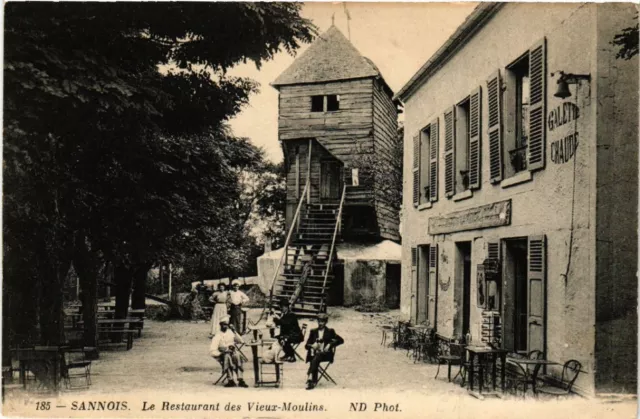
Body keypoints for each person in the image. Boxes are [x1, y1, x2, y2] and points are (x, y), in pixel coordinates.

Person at [305, 313, 344, 390]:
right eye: (319, 321)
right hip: (315, 355)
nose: (320, 323)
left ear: (326, 322)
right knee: (315, 357)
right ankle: (313, 380)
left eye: (322, 322)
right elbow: (306, 345)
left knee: (316, 357)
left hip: (326, 354)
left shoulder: (330, 331)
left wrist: (330, 344)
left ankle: (310, 378)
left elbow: (341, 340)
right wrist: (312, 346)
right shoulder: (313, 331)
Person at [209, 316, 248, 388]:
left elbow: (241, 341)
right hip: (224, 354)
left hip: (233, 352)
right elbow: (212, 350)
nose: (225, 326)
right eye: (224, 324)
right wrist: (220, 354)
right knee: (227, 357)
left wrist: (234, 331)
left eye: (226, 325)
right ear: (220, 325)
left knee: (237, 356)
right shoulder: (217, 335)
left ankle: (240, 379)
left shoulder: (230, 332)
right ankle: (230, 380)